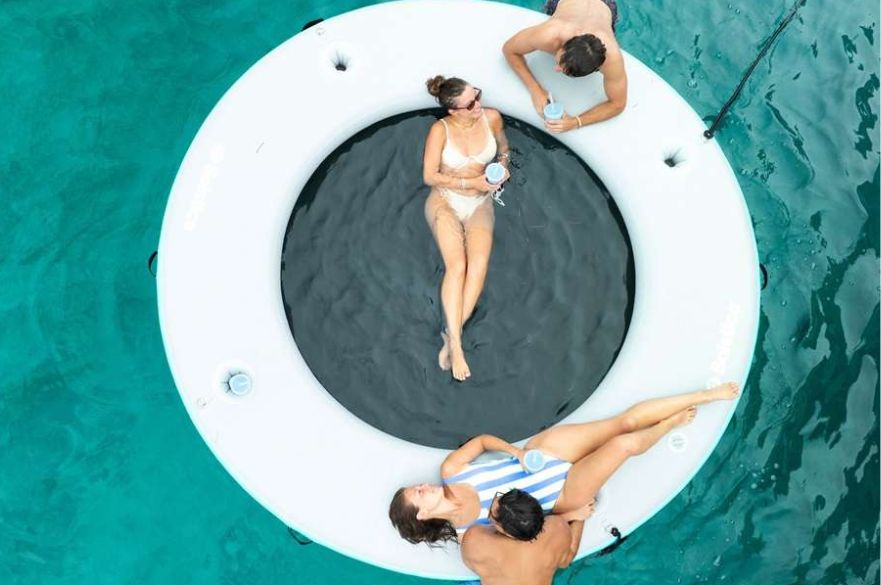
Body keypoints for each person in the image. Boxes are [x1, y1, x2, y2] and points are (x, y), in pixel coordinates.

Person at [389, 382, 740, 550]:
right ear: (421, 516)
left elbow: (480, 442)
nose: (423, 485)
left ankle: (704, 396)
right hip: (560, 494)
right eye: (418, 494)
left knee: (624, 424)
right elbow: (524, 538)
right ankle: (669, 424)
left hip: (541, 455)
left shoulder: (452, 471)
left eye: (417, 486)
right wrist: (571, 517)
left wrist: (516, 453)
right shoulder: (472, 535)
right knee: (625, 445)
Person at [423, 76, 511, 381]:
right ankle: (457, 347)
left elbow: (503, 149)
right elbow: (429, 176)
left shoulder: (492, 118)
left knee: (479, 265)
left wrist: (503, 166)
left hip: (479, 201)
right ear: (454, 111)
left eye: (478, 96)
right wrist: (469, 182)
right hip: (445, 200)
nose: (478, 105)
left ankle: (450, 335)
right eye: (470, 103)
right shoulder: (440, 130)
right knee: (457, 266)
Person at [502, 0, 627, 133]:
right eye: (558, 62)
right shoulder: (549, 35)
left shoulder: (612, 59)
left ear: (597, 68)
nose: (556, 69)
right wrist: (535, 90)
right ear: (563, 44)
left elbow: (617, 104)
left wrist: (576, 121)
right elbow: (509, 49)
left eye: (563, 70)